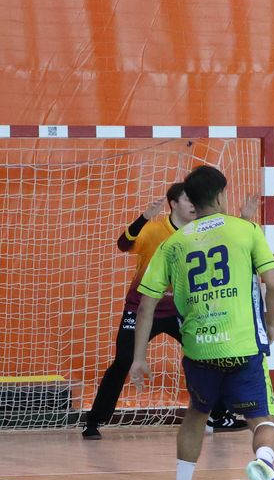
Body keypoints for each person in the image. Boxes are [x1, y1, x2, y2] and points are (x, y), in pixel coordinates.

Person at [129, 165, 274, 480]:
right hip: (242, 345)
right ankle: (263, 463)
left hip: (200, 348)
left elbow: (146, 304)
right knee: (263, 421)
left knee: (196, 415)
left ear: (191, 201)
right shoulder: (245, 230)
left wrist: (138, 357)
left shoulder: (174, 243)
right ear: (220, 196)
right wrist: (272, 322)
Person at [83, 183, 196, 439]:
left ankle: (216, 414)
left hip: (180, 310)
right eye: (188, 199)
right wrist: (144, 217)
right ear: (173, 203)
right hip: (142, 308)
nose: (193, 205)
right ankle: (94, 420)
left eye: (195, 200)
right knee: (124, 360)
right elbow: (123, 244)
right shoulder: (154, 230)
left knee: (205, 355)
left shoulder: (199, 232)